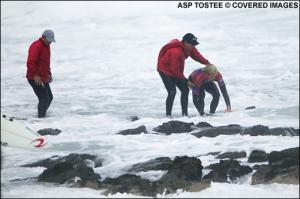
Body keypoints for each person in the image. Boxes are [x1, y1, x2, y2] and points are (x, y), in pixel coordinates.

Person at [157, 33, 211, 117]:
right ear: (185, 42)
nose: (193, 46)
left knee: (185, 90)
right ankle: (168, 116)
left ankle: (185, 115)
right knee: (172, 91)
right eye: (192, 44)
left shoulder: (189, 48)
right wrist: (186, 81)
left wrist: (208, 63)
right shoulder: (176, 52)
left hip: (175, 70)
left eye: (194, 44)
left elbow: (197, 56)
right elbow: (175, 71)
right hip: (164, 70)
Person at [26, 29, 56, 118]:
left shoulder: (47, 45)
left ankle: (42, 116)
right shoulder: (36, 46)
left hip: (42, 77)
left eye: (51, 41)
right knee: (44, 99)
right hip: (34, 77)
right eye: (49, 40)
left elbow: (45, 62)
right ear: (43, 37)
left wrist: (49, 73)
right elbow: (30, 62)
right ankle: (40, 121)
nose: (50, 43)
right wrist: (35, 75)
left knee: (49, 98)